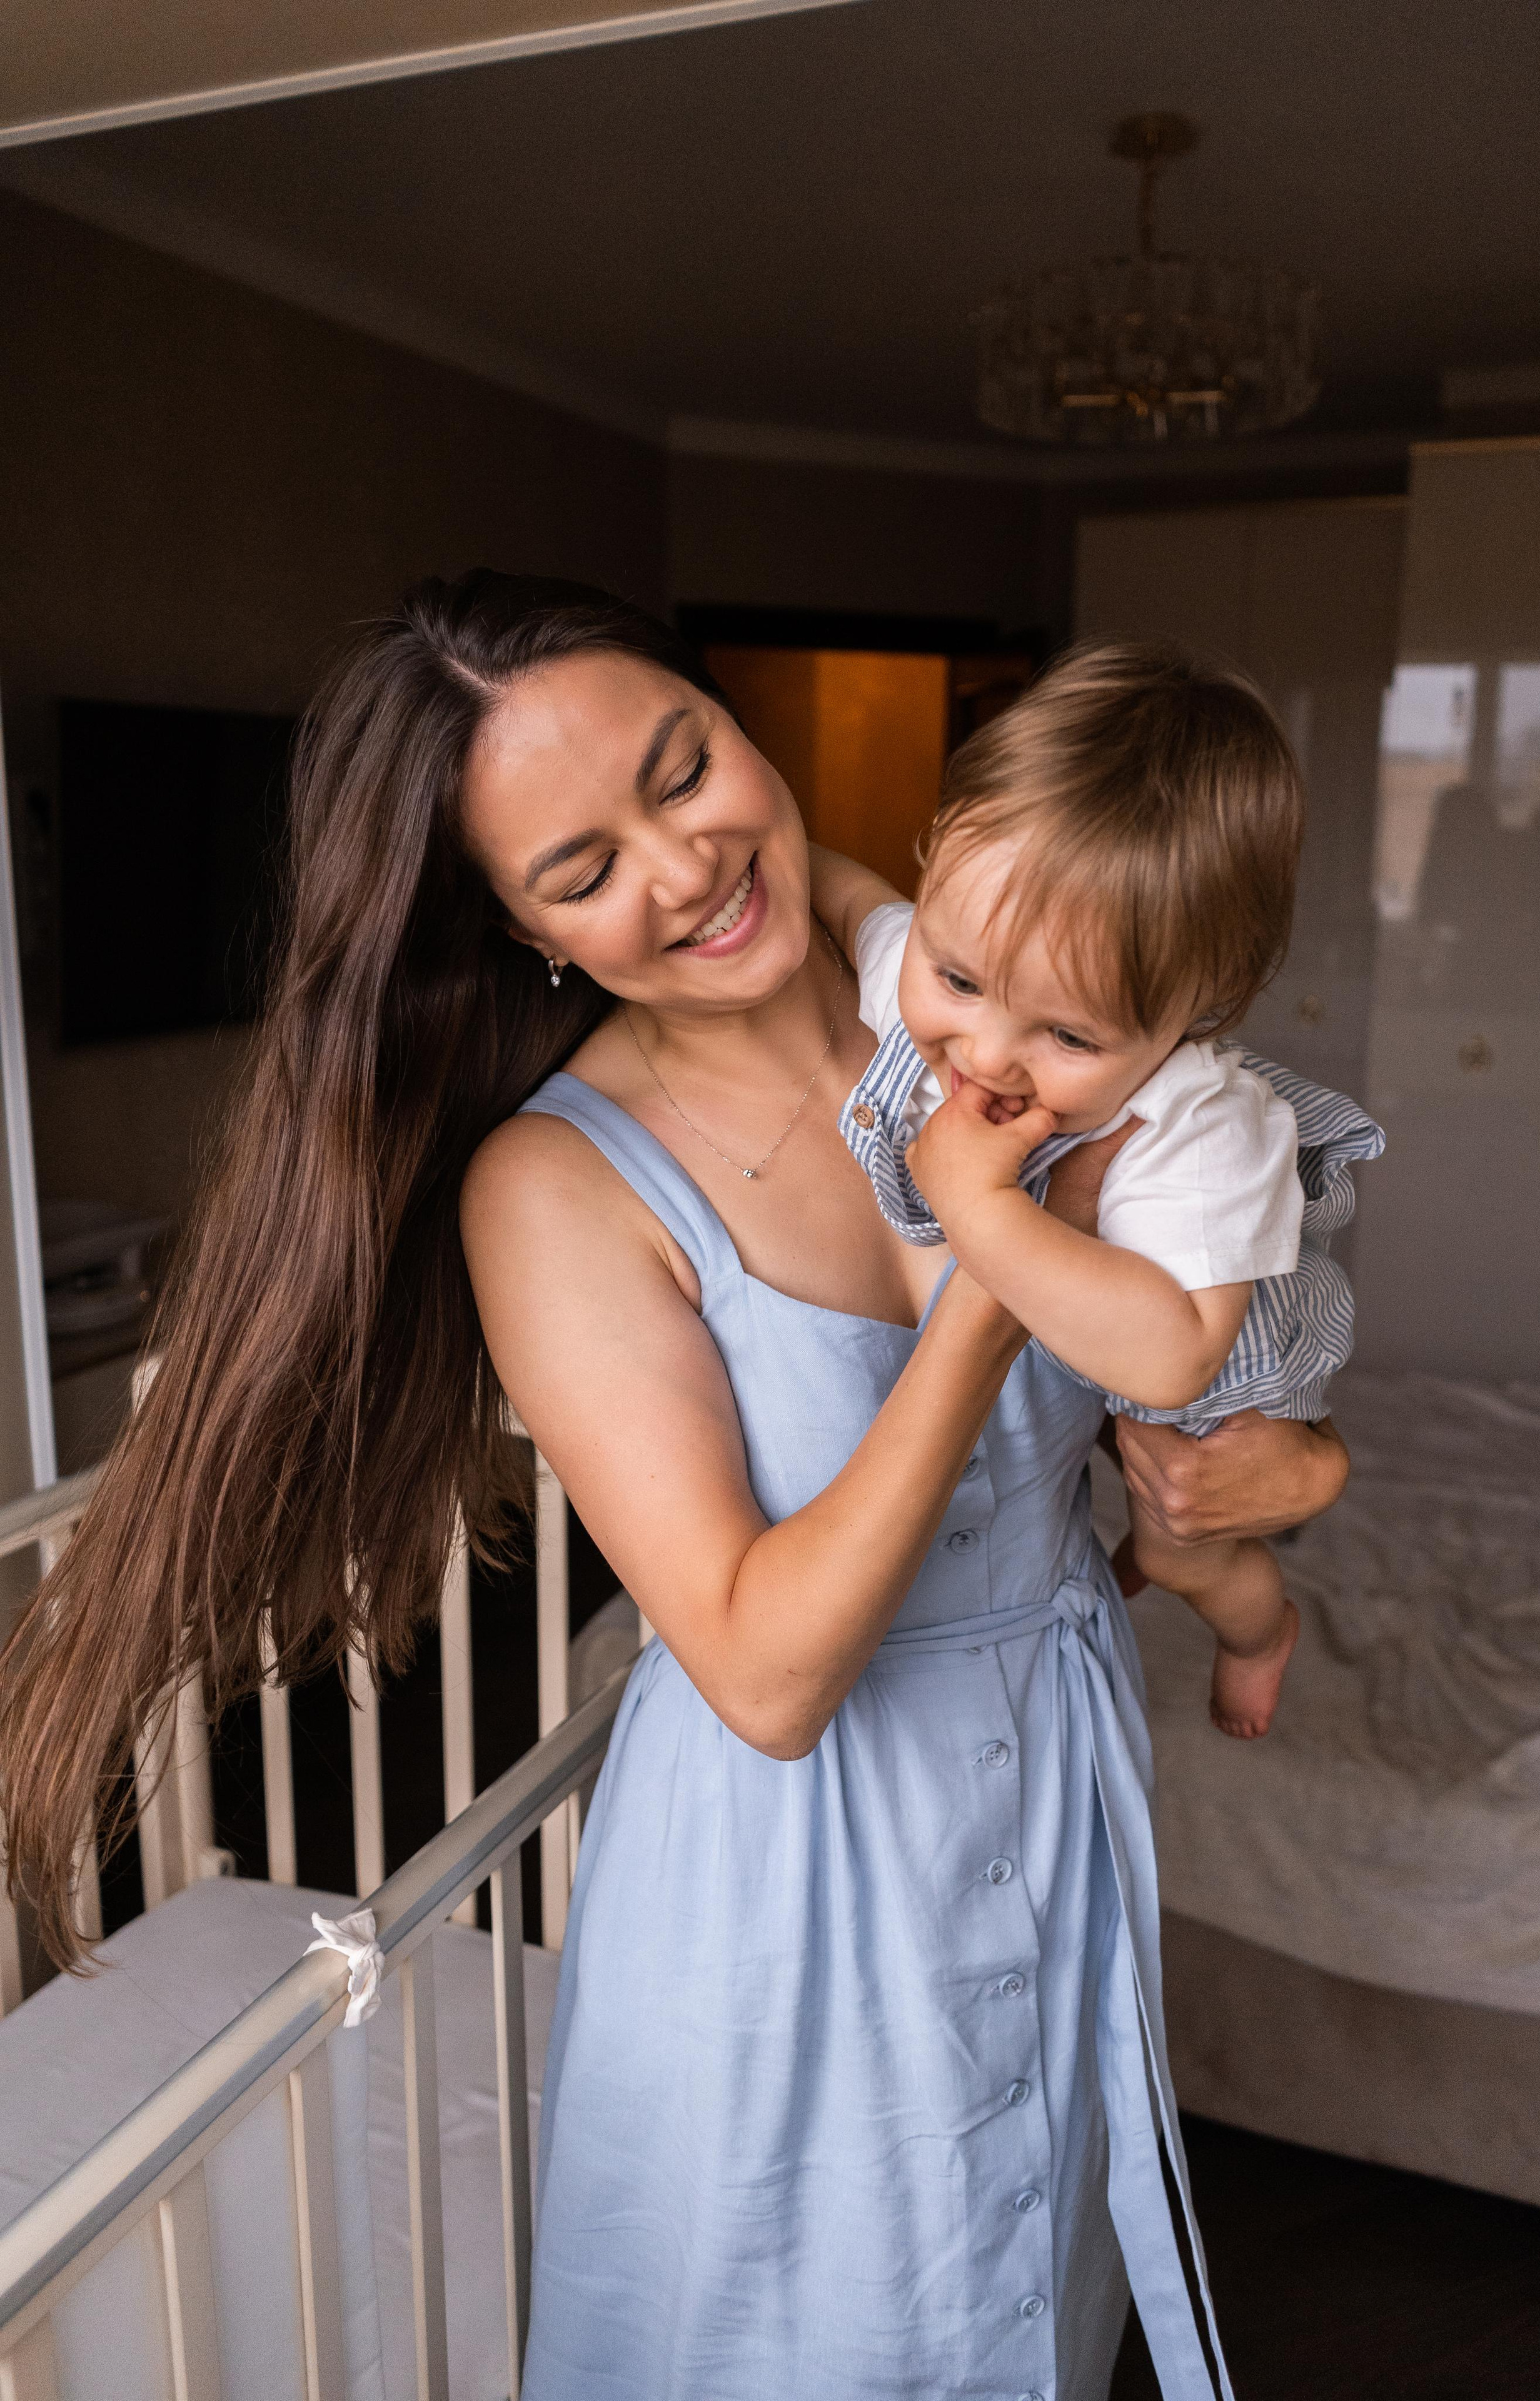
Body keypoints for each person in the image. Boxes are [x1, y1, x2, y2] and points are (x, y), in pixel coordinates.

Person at [0, 574, 1349, 2401]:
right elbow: (767, 1678)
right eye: (582, 867)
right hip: (801, 1881)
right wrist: (981, 1276)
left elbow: (1187, 1366)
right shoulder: (559, 1192)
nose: (689, 863)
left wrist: (1269, 1474)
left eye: (682, 766)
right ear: (519, 926)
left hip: (1054, 1790)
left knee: (1043, 2286)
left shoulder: (975, 983)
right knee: (826, 2332)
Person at [812, 642, 1383, 1740]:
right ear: (937, 868)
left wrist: (981, 1207)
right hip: (1106, 1326)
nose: (984, 1052)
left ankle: (1260, 1637)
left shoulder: (1202, 1127)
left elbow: (1171, 1355)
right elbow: (850, 905)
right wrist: (781, 856)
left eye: (1068, 1035)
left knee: (1185, 1543)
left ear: (1196, 1012)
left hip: (1207, 1348)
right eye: (958, 981)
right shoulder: (939, 954)